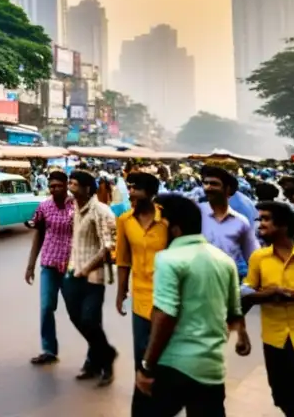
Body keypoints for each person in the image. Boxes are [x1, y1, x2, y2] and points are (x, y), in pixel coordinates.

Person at [136, 194, 250, 416]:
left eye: (159, 224)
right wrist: (242, 335)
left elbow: (165, 315)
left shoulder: (169, 259)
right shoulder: (224, 260)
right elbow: (234, 311)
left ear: (175, 228)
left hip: (173, 366)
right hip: (212, 368)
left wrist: (147, 365)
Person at [115, 171, 169, 416]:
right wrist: (120, 291)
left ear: (150, 192)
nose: (131, 192)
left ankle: (164, 404)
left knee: (164, 356)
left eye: (135, 188)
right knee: (141, 356)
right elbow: (123, 259)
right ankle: (142, 409)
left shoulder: (167, 220)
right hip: (140, 299)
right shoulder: (125, 221)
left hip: (167, 299)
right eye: (130, 187)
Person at [243, 200, 294, 416]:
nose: (260, 225)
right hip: (274, 340)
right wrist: (265, 295)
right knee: (282, 396)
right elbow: (246, 292)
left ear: (284, 225)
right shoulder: (258, 258)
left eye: (266, 219)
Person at [65, 169, 118, 386]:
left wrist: (86, 268)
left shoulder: (101, 211)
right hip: (73, 272)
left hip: (92, 277)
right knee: (76, 318)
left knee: (90, 320)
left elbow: (108, 247)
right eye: (70, 182)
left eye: (75, 183)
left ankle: (104, 363)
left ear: (87, 188)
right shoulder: (74, 207)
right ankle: (103, 353)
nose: (70, 186)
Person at [25, 170, 76, 366]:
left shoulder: (77, 206)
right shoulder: (44, 207)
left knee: (76, 311)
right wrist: (30, 265)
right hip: (49, 263)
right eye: (52, 186)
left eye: (59, 186)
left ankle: (96, 349)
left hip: (71, 266)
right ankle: (49, 349)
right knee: (46, 307)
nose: (54, 190)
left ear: (66, 185)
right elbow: (38, 235)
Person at [200, 165, 259, 280]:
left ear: (228, 189)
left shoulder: (240, 218)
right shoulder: (195, 213)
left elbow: (252, 256)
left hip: (233, 276)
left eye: (214, 184)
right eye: (205, 183)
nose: (208, 188)